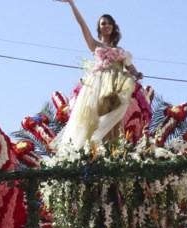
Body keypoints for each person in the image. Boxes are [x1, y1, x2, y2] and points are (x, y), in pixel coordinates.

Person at [54, 0, 143, 153]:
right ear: (99, 28)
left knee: (115, 117)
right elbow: (82, 24)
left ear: (113, 27)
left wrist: (136, 73)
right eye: (103, 23)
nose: (106, 25)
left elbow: (128, 65)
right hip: (100, 82)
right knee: (101, 114)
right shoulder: (95, 44)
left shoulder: (120, 50)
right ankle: (102, 148)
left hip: (119, 82)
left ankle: (115, 150)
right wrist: (72, 4)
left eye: (109, 23)